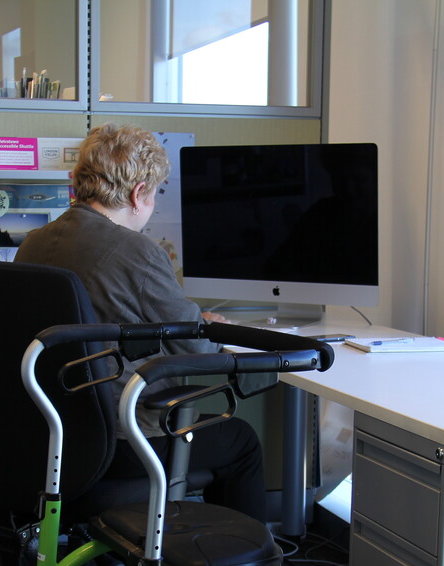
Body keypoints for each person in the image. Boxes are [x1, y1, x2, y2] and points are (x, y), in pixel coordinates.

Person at [16, 124, 267, 522]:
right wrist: (209, 330)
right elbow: (197, 347)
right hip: (124, 439)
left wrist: (184, 321)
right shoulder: (137, 251)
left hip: (55, 433)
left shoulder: (35, 241)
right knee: (241, 442)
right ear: (138, 194)